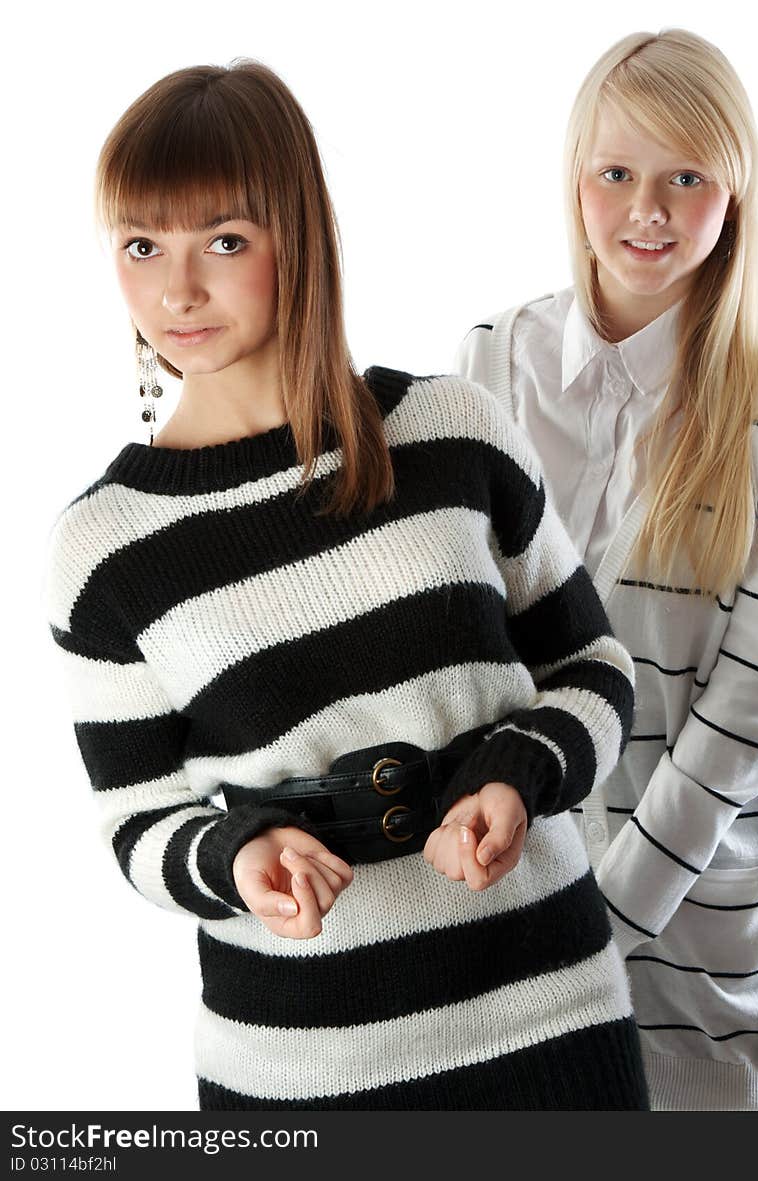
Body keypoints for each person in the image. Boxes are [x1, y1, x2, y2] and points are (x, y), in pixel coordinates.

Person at [43, 58, 648, 1111]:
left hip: (554, 1020)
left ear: (300, 236)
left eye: (225, 241)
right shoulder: (104, 549)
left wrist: (519, 772)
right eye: (143, 245)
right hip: (301, 1076)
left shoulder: (452, 431)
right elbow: (135, 821)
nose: (176, 290)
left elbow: (593, 666)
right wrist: (239, 854)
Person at [454, 28, 758, 1111]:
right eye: (617, 173)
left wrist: (605, 919)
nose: (648, 210)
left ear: (734, 194)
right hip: (521, 915)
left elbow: (757, 704)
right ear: (575, 180)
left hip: (711, 957)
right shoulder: (491, 359)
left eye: (687, 177)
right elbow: (469, 645)